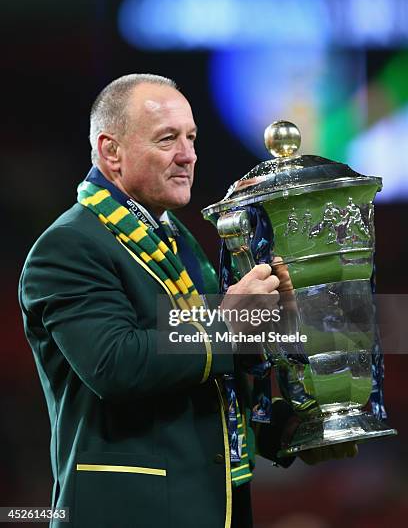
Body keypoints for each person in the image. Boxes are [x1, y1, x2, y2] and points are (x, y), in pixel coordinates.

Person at [19, 74, 356, 528]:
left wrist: (287, 430)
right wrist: (228, 323)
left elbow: (205, 381)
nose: (188, 155)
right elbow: (115, 363)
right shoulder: (68, 247)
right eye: (167, 139)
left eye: (192, 138)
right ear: (110, 151)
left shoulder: (176, 242)